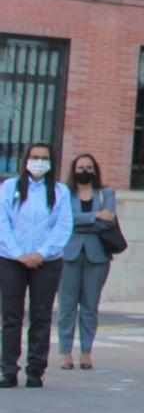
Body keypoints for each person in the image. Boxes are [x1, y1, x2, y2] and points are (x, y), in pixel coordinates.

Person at [0, 142, 72, 388]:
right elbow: (3, 222)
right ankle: (8, 369)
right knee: (12, 316)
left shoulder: (60, 192)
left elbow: (62, 227)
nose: (38, 162)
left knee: (41, 316)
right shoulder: (10, 188)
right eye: (34, 157)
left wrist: (41, 253)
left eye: (43, 158)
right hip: (12, 260)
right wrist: (18, 253)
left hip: (47, 262)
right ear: (26, 160)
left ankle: (35, 370)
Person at [57, 153, 118, 371]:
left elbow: (108, 221)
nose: (85, 171)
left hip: (98, 255)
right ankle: (64, 352)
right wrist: (94, 217)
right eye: (81, 167)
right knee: (67, 306)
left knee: (90, 306)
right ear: (74, 170)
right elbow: (65, 219)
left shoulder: (106, 193)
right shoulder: (64, 193)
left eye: (89, 167)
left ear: (95, 170)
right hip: (68, 254)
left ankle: (86, 352)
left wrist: (84, 221)